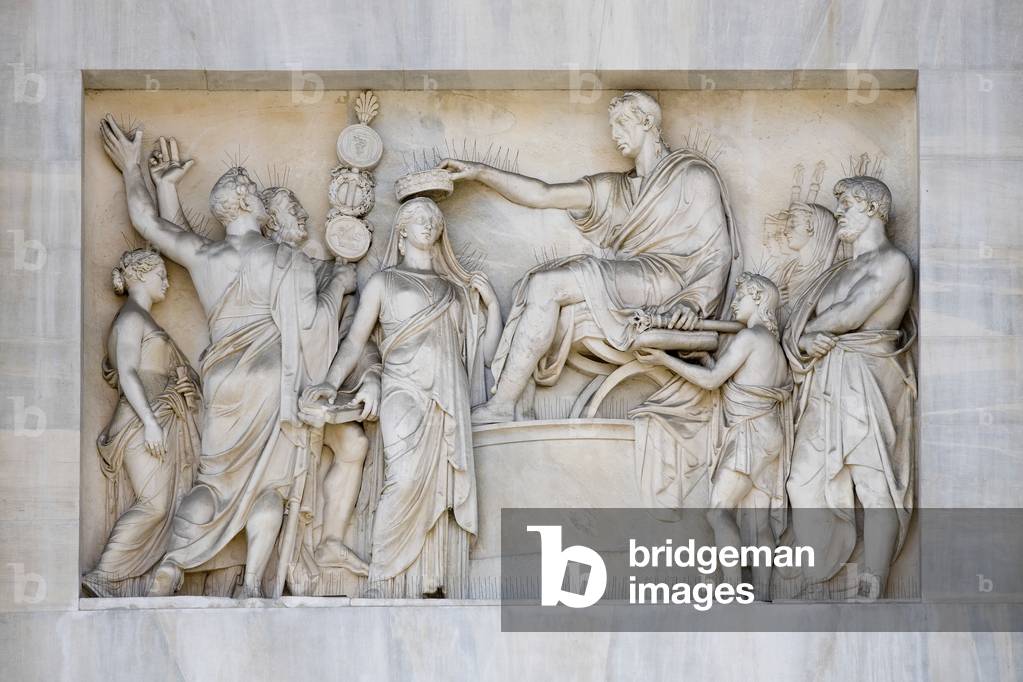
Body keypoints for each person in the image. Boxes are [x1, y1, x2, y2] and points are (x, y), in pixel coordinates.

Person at [100, 117, 356, 597]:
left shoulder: (205, 256)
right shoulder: (289, 261)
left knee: (213, 482)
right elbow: (311, 328)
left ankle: (172, 564)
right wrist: (339, 286)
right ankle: (254, 582)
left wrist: (133, 168)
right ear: (248, 204)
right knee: (270, 490)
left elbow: (147, 223)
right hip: (271, 383)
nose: (263, 200)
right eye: (257, 194)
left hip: (223, 381)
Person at [439, 91, 739, 423]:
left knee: (547, 284)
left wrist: (693, 303)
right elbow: (543, 195)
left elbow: (717, 252)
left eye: (623, 123)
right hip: (630, 276)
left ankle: (503, 404)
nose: (615, 135)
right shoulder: (615, 189)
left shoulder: (693, 176)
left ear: (648, 122)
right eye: (612, 126)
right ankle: (509, 401)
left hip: (670, 281)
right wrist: (480, 171)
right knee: (543, 282)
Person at [304, 197, 501, 597]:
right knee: (405, 477)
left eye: (434, 219)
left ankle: (429, 576)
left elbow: (482, 355)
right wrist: (330, 381)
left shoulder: (452, 290)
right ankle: (383, 573)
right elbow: (356, 341)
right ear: (402, 231)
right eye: (418, 218)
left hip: (447, 395)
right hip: (403, 389)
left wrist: (493, 307)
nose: (427, 223)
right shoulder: (384, 281)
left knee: (440, 484)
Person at [783, 175, 915, 599]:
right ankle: (820, 568)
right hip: (826, 377)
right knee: (801, 479)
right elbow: (809, 327)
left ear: (874, 209)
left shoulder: (892, 262)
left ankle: (873, 578)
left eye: (849, 205)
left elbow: (848, 315)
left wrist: (802, 334)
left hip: (868, 375)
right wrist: (801, 340)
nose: (839, 212)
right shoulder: (839, 270)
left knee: (874, 481)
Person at [83, 249, 202, 597]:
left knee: (167, 502)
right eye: (160, 274)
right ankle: (105, 574)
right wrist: (150, 421)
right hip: (140, 421)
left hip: (159, 415)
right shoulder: (131, 319)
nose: (166, 281)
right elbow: (128, 373)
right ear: (140, 276)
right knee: (155, 504)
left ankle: (140, 576)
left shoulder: (141, 318)